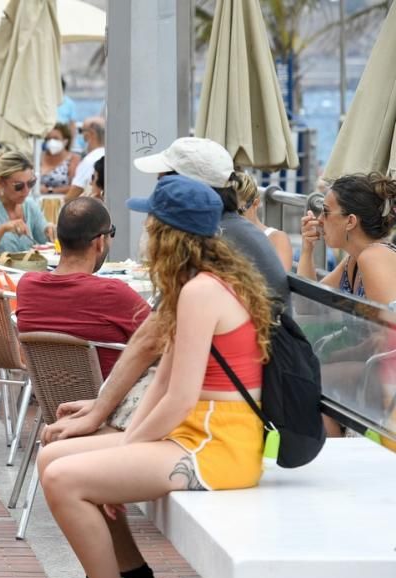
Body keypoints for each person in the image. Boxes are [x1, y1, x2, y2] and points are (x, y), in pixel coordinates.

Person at [37, 175, 273, 578]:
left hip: (214, 446)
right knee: (53, 456)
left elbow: (180, 397)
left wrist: (124, 451)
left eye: (149, 221)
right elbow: (163, 382)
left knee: (65, 480)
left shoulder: (201, 293)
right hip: (198, 434)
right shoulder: (195, 285)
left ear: (168, 232)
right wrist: (121, 445)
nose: (143, 230)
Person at [45, 137, 291, 444]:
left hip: (225, 406)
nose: (158, 188)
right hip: (237, 390)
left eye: (164, 180)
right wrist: (101, 405)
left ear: (186, 187)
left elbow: (152, 339)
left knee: (69, 449)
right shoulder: (232, 233)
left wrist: (100, 411)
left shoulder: (207, 243)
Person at [16, 197, 148, 379]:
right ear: (100, 242)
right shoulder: (112, 294)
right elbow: (163, 338)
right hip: (108, 402)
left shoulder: (27, 286)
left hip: (52, 399)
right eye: (112, 232)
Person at [298, 172, 396, 305]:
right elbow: (307, 306)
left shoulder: (373, 257)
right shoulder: (353, 262)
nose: (319, 219)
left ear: (350, 221)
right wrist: (307, 249)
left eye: (326, 212)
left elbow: (388, 325)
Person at [234, 170, 292, 271]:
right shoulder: (222, 234)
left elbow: (279, 283)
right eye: (227, 211)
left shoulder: (277, 238)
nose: (232, 217)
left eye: (239, 211)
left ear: (255, 204)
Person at [65, 116, 105, 203]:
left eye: (81, 131)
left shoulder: (90, 160)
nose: (81, 136)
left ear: (91, 133)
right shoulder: (109, 156)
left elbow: (74, 192)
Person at [40, 122, 81, 195]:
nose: (52, 142)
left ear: (65, 141)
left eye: (56, 138)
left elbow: (76, 187)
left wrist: (50, 190)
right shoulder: (39, 157)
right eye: (49, 139)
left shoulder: (73, 159)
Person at [56, 76, 78, 142]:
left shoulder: (70, 104)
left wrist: (71, 143)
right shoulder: (46, 102)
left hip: (63, 137)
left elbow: (72, 125)